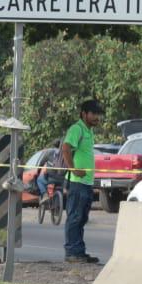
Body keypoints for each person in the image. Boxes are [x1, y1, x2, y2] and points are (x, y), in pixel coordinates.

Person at [59, 99, 103, 265]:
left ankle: (79, 251)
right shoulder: (77, 129)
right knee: (75, 217)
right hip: (77, 182)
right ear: (84, 114)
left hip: (86, 182)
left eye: (98, 114)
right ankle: (71, 252)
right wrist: (73, 169)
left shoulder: (88, 131)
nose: (96, 117)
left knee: (82, 218)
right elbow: (66, 147)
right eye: (93, 114)